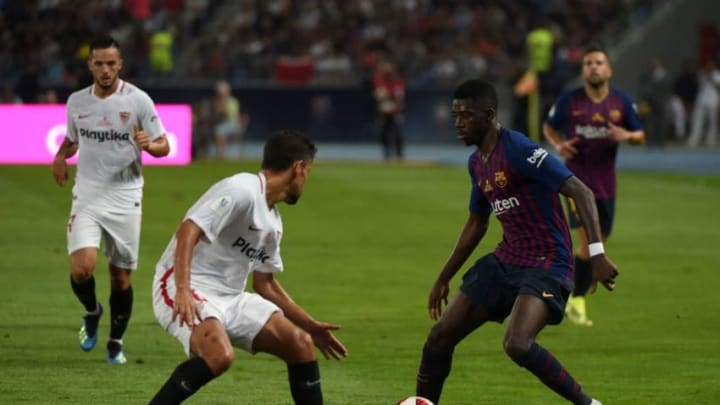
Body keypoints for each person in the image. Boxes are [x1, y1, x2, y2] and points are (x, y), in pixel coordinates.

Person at [414, 79, 618, 405]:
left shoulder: (521, 150)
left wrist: (596, 254)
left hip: (548, 262)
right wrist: (443, 277)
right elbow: (477, 223)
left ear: (489, 114)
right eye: (455, 116)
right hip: (507, 260)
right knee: (439, 338)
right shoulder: (477, 163)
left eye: (466, 115)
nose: (458, 123)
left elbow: (581, 190)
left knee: (517, 344)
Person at [149, 130, 347, 404]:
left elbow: (264, 284)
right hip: (184, 286)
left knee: (300, 344)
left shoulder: (273, 222)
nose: (306, 179)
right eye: (308, 171)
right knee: (219, 356)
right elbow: (188, 231)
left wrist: (309, 325)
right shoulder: (242, 189)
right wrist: (183, 290)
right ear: (299, 168)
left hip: (230, 298)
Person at [51, 35, 170, 364]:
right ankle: (92, 311)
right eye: (99, 63)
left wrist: (149, 146)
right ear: (90, 64)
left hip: (125, 197)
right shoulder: (77, 102)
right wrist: (61, 156)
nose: (105, 69)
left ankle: (116, 342)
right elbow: (73, 140)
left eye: (111, 63)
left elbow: (164, 146)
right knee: (81, 268)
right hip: (87, 195)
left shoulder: (138, 101)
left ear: (120, 65)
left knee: (121, 278)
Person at [543, 46, 645, 326]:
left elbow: (640, 135)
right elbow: (549, 127)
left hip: (606, 186)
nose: (594, 67)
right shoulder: (570, 101)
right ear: (583, 70)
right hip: (575, 183)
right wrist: (559, 145)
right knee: (589, 245)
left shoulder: (621, 103)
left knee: (596, 245)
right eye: (589, 63)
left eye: (599, 62)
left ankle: (574, 284)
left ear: (609, 70)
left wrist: (626, 135)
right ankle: (574, 302)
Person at [373, 61, 405, 161]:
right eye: (386, 72)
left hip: (395, 112)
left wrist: (389, 96)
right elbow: (378, 96)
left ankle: (399, 155)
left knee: (398, 134)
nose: (388, 74)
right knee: (384, 134)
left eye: (389, 72)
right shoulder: (379, 82)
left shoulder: (398, 82)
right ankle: (386, 155)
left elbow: (399, 97)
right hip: (384, 113)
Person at [686, 60, 720, 148]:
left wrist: (711, 78)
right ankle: (694, 139)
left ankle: (711, 140)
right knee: (697, 120)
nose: (709, 68)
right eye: (708, 66)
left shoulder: (717, 74)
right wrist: (706, 76)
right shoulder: (702, 74)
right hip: (701, 100)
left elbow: (718, 86)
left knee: (712, 122)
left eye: (711, 66)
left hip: (713, 101)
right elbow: (699, 84)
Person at [212, 80, 246, 160]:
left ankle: (221, 154)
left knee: (219, 131)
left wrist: (222, 106)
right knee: (218, 129)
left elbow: (228, 115)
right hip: (221, 124)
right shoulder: (217, 101)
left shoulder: (232, 101)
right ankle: (220, 154)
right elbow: (216, 113)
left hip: (233, 124)